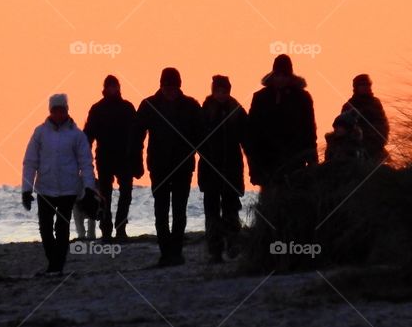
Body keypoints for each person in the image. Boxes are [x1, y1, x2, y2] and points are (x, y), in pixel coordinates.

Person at [135, 67, 204, 267]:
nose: (170, 91)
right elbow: (137, 135)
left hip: (183, 166)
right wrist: (136, 163)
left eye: (173, 87)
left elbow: (201, 136)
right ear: (161, 86)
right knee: (161, 210)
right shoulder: (149, 105)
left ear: (179, 86)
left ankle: (177, 252)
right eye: (167, 87)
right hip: (159, 166)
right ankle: (165, 253)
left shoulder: (191, 105)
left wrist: (204, 158)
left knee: (180, 210)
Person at [22, 93, 96, 274]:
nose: (58, 114)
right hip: (45, 188)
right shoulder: (40, 133)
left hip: (68, 190)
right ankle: (53, 261)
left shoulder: (76, 135)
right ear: (50, 111)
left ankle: (58, 265)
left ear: (67, 110)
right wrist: (26, 189)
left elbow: (86, 163)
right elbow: (30, 162)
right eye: (55, 110)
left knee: (62, 227)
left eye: (61, 110)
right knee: (45, 228)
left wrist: (89, 188)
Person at [246, 54, 317, 189]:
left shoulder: (302, 98)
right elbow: (252, 132)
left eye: (285, 75)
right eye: (278, 74)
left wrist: (312, 159)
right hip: (267, 161)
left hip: (294, 159)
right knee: (270, 197)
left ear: (290, 76)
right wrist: (254, 166)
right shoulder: (260, 97)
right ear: (273, 74)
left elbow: (309, 131)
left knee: (293, 196)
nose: (281, 78)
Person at [197, 75, 248, 263]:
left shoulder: (237, 111)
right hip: (210, 170)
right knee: (211, 212)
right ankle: (215, 250)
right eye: (218, 90)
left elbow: (247, 139)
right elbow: (197, 139)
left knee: (231, 209)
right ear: (213, 91)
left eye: (224, 91)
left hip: (232, 169)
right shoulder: (205, 111)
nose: (221, 94)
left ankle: (233, 245)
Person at [83, 75, 138, 242]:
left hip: (124, 158)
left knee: (126, 192)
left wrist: (136, 160)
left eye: (115, 86)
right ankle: (106, 229)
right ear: (105, 88)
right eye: (110, 86)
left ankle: (121, 227)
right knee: (105, 194)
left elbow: (136, 136)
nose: (113, 89)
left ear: (119, 88)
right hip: (104, 158)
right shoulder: (97, 109)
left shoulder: (127, 107)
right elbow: (88, 135)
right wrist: (84, 161)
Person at [342, 74, 389, 162]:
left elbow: (384, 124)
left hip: (377, 147)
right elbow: (343, 129)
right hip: (357, 149)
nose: (366, 87)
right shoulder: (349, 106)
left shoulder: (376, 103)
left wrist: (380, 140)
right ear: (356, 87)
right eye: (362, 84)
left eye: (368, 84)